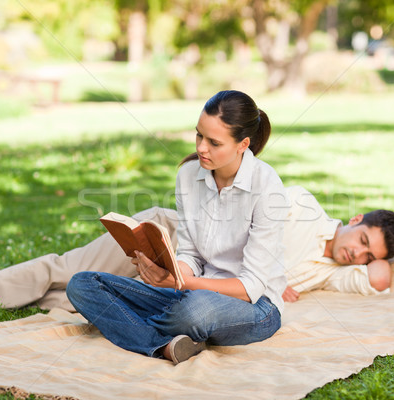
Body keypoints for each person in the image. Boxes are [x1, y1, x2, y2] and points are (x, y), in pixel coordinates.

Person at [0, 186, 394, 317]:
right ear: (355, 219)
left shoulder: (327, 272)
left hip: (187, 280)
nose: (357, 256)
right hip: (175, 235)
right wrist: (274, 282)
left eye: (367, 255)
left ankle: (15, 296)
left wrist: (381, 258)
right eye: (362, 241)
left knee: (74, 297)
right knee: (64, 269)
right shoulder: (301, 205)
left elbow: (378, 281)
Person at [66, 90, 288, 364]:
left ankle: (130, 324)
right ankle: (165, 346)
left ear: (243, 144)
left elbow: (250, 287)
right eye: (199, 135)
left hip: (254, 308)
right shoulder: (188, 175)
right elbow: (191, 255)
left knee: (195, 312)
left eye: (214, 142)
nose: (201, 148)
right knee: (83, 284)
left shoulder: (266, 186)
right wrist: (169, 271)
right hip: (191, 293)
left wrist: (181, 283)